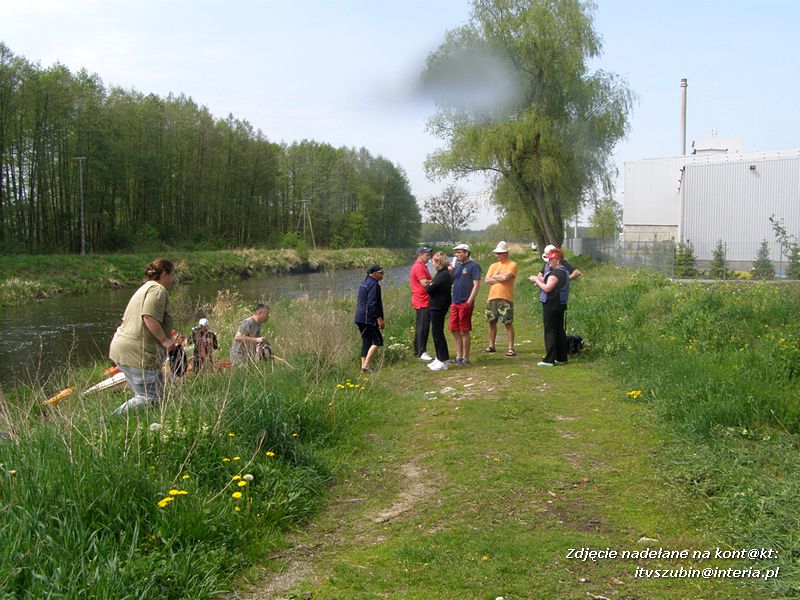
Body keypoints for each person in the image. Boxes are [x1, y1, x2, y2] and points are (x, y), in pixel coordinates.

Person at [109, 258, 176, 414]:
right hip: (137, 352)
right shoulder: (158, 290)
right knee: (149, 398)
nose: (173, 280)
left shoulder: (145, 288)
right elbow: (149, 316)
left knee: (154, 397)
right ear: (164, 274)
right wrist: (165, 340)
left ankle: (141, 425)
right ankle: (108, 422)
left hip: (124, 348)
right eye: (172, 275)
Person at [530, 247, 570, 367]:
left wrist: (536, 280)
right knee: (559, 330)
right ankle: (561, 357)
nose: (548, 262)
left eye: (550, 260)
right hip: (560, 304)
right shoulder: (564, 271)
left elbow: (547, 288)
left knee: (550, 331)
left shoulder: (556, 273)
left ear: (557, 260)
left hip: (552, 305)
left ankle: (549, 359)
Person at [484, 241, 518, 357]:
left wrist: (495, 277)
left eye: (500, 253)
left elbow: (506, 277)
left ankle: (511, 347)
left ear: (506, 253)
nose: (498, 255)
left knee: (507, 323)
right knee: (491, 322)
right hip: (492, 297)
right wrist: (500, 278)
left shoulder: (512, 264)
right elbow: (487, 280)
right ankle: (491, 345)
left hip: (505, 297)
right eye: (497, 253)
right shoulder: (493, 266)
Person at [449, 243, 481, 365]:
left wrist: (469, 302)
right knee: (454, 329)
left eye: (459, 252)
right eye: (455, 253)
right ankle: (458, 357)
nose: (456, 255)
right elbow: (451, 282)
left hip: (465, 302)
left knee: (464, 330)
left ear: (466, 253)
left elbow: (476, 284)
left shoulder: (474, 266)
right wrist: (450, 272)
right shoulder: (456, 267)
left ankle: (465, 357)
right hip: (454, 302)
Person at [424, 251, 453, 371]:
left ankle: (443, 361)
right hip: (436, 305)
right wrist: (431, 284)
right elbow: (431, 285)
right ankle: (439, 357)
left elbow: (429, 289)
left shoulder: (444, 274)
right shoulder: (441, 273)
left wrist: (430, 284)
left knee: (438, 333)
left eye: (434, 261)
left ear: (439, 262)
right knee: (436, 333)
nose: (432, 264)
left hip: (439, 306)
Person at [354, 263, 385, 372]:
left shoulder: (365, 282)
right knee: (378, 341)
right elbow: (372, 304)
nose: (383, 275)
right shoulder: (374, 284)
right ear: (375, 273)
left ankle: (364, 367)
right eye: (381, 273)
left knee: (366, 341)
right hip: (368, 319)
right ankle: (366, 365)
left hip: (359, 318)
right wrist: (379, 319)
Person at [410, 246, 434, 361]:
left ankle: (418, 351)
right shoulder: (419, 267)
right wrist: (436, 280)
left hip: (422, 300)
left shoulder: (421, 266)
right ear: (420, 255)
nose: (428, 256)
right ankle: (421, 352)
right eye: (426, 254)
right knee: (422, 327)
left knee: (421, 326)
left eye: (429, 254)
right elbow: (424, 283)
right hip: (422, 300)